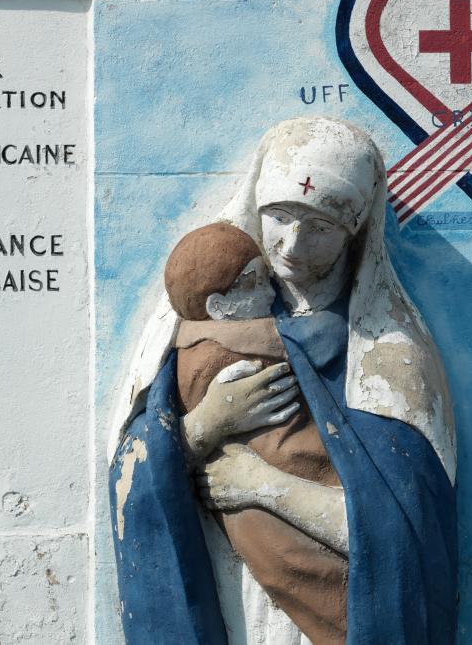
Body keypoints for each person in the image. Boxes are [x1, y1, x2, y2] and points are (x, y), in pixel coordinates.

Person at [108, 116, 458, 645]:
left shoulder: (388, 355)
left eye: (319, 227)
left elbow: (408, 532)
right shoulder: (187, 330)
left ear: (354, 232)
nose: (293, 245)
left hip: (338, 614)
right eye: (279, 217)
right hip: (228, 590)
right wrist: (203, 426)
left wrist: (264, 486)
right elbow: (132, 472)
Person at [163, 221, 350, 642]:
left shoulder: (197, 345)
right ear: (218, 306)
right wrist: (208, 423)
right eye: (254, 283)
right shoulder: (240, 349)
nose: (271, 294)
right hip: (276, 531)